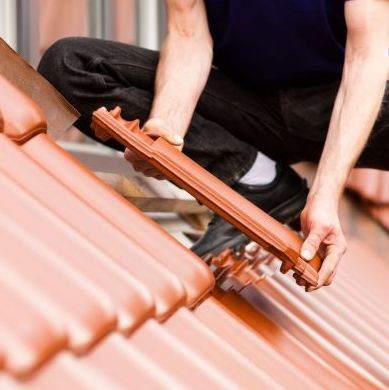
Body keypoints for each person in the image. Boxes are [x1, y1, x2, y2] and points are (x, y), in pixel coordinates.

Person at [38, 0, 389, 291]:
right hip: (252, 105)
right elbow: (188, 35)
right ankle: (257, 178)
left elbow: (365, 60)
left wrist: (325, 195)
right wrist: (166, 130)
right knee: (71, 64)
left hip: (349, 103)